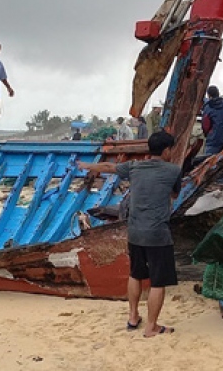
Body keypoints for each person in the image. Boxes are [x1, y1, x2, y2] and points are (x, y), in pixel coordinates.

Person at [77, 131, 181, 338]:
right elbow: (175, 194)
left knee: (135, 274)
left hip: (134, 232)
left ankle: (133, 317)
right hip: (157, 234)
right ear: (167, 150)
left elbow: (109, 167)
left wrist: (88, 166)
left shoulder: (135, 167)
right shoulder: (173, 170)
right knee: (158, 282)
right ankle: (151, 327)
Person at [200, 85, 223, 155]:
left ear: (208, 95)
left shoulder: (208, 107)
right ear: (218, 93)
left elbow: (205, 126)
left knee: (208, 163)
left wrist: (208, 134)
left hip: (213, 142)